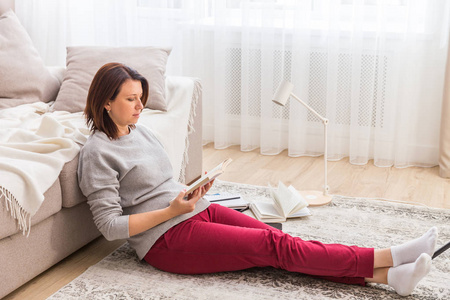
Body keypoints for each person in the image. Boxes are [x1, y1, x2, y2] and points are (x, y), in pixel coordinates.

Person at [78, 62, 438, 297]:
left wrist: (194, 188)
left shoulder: (139, 130)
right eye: (131, 99)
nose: (140, 106)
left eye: (141, 98)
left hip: (193, 210)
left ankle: (388, 278)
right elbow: (110, 226)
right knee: (273, 249)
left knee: (276, 239)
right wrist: (172, 209)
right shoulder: (97, 154)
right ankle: (391, 256)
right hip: (165, 240)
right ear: (105, 103)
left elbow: (160, 184)